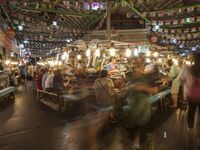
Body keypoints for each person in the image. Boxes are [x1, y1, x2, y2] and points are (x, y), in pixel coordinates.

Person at [124, 57, 159, 150]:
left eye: (141, 65)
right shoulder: (131, 76)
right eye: (136, 65)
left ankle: (137, 141)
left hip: (142, 103)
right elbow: (128, 89)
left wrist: (145, 88)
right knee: (138, 122)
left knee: (141, 121)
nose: (138, 67)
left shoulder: (145, 77)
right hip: (134, 102)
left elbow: (154, 89)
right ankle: (137, 140)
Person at [180, 53, 200, 130]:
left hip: (192, 95)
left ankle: (190, 128)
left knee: (191, 111)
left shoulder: (189, 69)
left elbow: (181, 79)